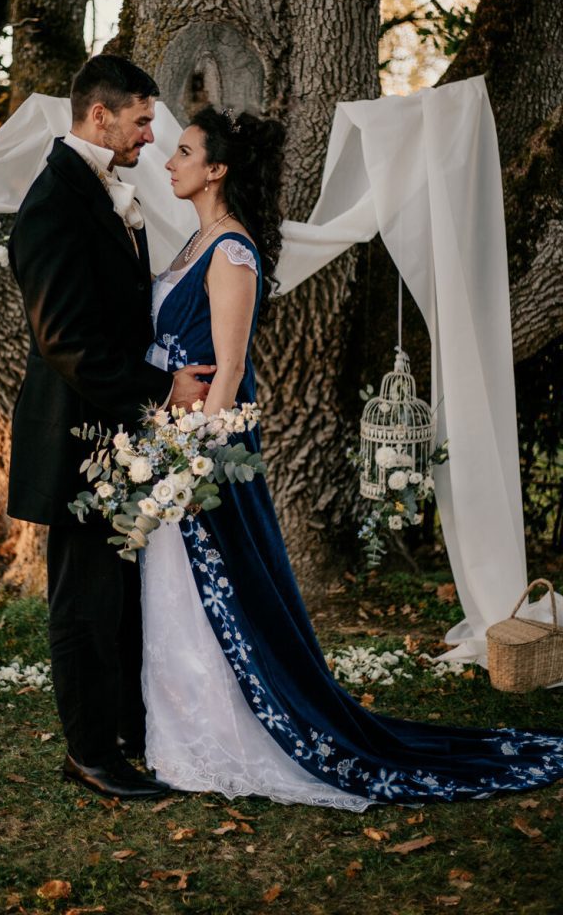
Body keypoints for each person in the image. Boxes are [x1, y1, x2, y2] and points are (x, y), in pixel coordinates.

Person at [140, 104, 563, 807]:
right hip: (169, 440)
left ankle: (227, 737)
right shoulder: (194, 242)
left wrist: (194, 467)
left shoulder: (233, 254)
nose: (170, 161)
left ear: (217, 169)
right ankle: (183, 734)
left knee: (217, 593)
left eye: (183, 151)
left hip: (208, 453)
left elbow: (233, 369)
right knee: (176, 596)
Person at [8, 55, 213, 801]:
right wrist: (160, 390)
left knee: (118, 598)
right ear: (100, 115)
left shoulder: (99, 189)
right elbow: (65, 340)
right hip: (75, 441)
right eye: (141, 119)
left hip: (115, 438)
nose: (149, 134)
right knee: (84, 603)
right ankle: (90, 755)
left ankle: (126, 736)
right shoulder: (54, 200)